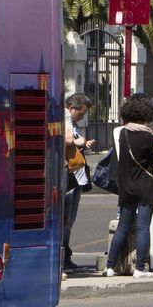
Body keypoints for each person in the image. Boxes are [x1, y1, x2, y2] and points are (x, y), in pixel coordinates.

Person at [105, 94, 153, 278]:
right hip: (145, 187)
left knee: (123, 227)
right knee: (143, 228)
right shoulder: (148, 135)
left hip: (127, 186)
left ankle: (110, 267)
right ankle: (139, 268)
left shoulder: (123, 133)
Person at [63, 93, 95, 273]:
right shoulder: (65, 119)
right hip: (69, 175)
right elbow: (66, 140)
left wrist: (82, 143)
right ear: (72, 108)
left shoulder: (72, 123)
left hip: (76, 175)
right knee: (66, 219)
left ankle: (66, 255)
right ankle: (64, 257)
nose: (82, 117)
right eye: (81, 113)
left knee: (71, 219)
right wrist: (78, 141)